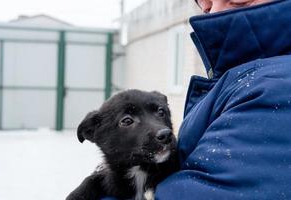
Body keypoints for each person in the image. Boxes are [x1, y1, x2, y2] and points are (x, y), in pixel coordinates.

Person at [105, 0, 291, 199]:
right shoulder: (240, 80)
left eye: (237, 0)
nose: (213, 14)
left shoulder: (275, 87)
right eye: (206, 5)